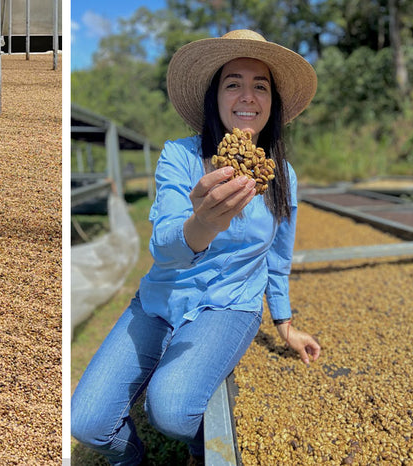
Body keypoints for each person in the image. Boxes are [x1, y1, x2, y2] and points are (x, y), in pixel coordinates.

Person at [70, 30, 323, 465]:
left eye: (260, 85)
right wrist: (202, 223)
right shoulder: (179, 158)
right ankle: (131, 458)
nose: (247, 96)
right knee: (87, 423)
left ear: (272, 103)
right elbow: (163, 244)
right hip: (161, 300)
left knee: (170, 412)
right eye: (233, 83)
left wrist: (284, 323)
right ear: (215, 97)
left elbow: (278, 257)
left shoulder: (282, 175)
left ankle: (200, 447)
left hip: (230, 304)